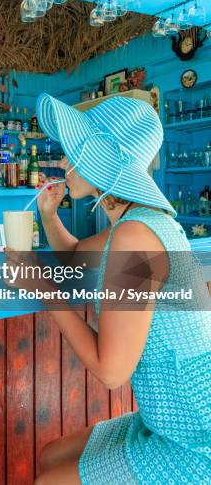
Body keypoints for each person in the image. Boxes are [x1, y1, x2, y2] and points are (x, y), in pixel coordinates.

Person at [32, 93, 211, 485]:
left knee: (48, 481)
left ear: (103, 159)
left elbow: (111, 371)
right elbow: (78, 256)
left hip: (195, 436)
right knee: (50, 455)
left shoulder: (135, 236)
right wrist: (48, 214)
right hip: (170, 413)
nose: (63, 162)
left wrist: (41, 286)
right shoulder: (138, 223)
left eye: (74, 151)